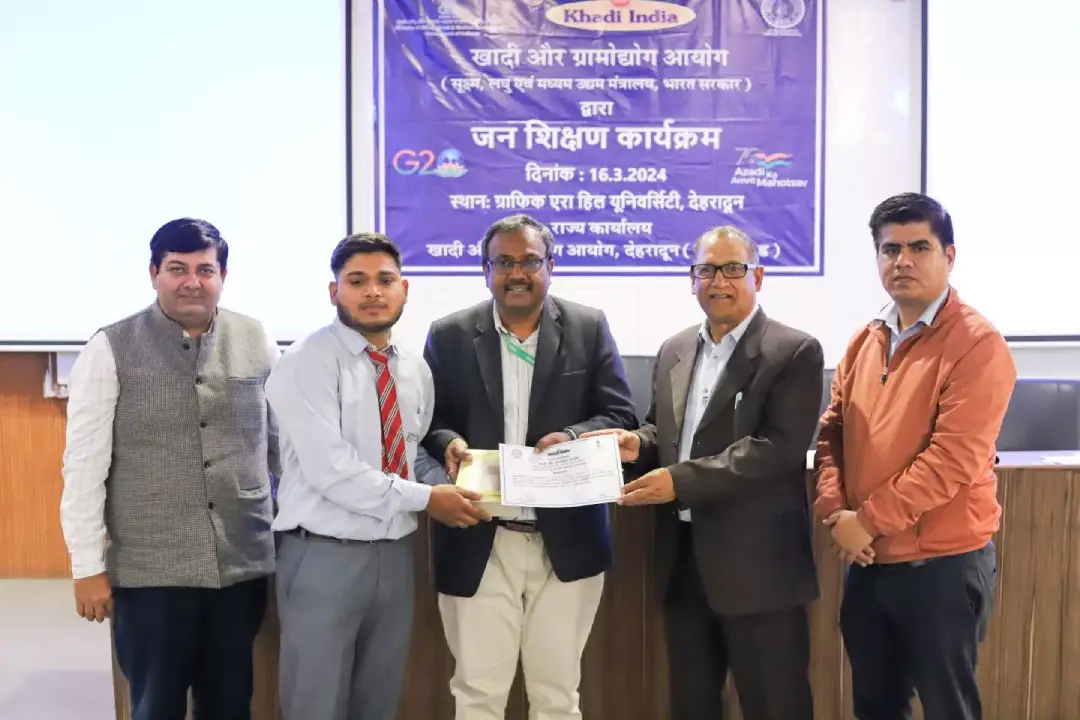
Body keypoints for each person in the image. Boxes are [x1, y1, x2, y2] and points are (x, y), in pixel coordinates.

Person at [584, 226, 823, 720]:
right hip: (683, 561)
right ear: (691, 279)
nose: (720, 280)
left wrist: (680, 481)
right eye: (707, 270)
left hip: (759, 567)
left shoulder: (794, 351)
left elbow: (777, 449)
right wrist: (637, 443)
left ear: (757, 276)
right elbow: (663, 429)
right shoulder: (675, 348)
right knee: (691, 705)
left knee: (776, 704)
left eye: (733, 268)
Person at [59, 218, 280, 720]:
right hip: (150, 570)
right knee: (155, 705)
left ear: (223, 275)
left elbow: (280, 447)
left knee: (230, 703)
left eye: (205, 269)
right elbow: (84, 465)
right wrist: (86, 566)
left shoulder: (257, 339)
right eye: (177, 269)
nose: (192, 281)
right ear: (154, 273)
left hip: (239, 562)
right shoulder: (109, 347)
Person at [422, 214, 638, 719]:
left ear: (551, 267)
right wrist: (449, 441)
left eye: (529, 261)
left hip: (566, 541)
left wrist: (573, 437)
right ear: (485, 270)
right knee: (477, 694)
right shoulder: (449, 335)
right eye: (504, 262)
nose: (517, 272)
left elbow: (620, 415)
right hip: (480, 535)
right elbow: (428, 421)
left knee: (557, 697)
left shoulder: (589, 326)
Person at [265, 233, 487, 720]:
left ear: (403, 289)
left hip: (394, 556)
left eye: (385, 280)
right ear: (333, 292)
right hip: (323, 554)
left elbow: (407, 455)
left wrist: (451, 469)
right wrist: (429, 498)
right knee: (315, 704)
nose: (372, 292)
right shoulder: (305, 363)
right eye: (357, 281)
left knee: (378, 701)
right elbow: (333, 471)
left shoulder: (413, 368)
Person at [814, 192, 1016, 720]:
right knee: (875, 708)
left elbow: (953, 459)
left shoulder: (978, 343)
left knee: (949, 709)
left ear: (949, 256)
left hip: (941, 568)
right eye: (889, 249)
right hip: (869, 563)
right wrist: (835, 511)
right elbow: (831, 432)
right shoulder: (865, 339)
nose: (901, 260)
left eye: (918, 247)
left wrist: (868, 521)